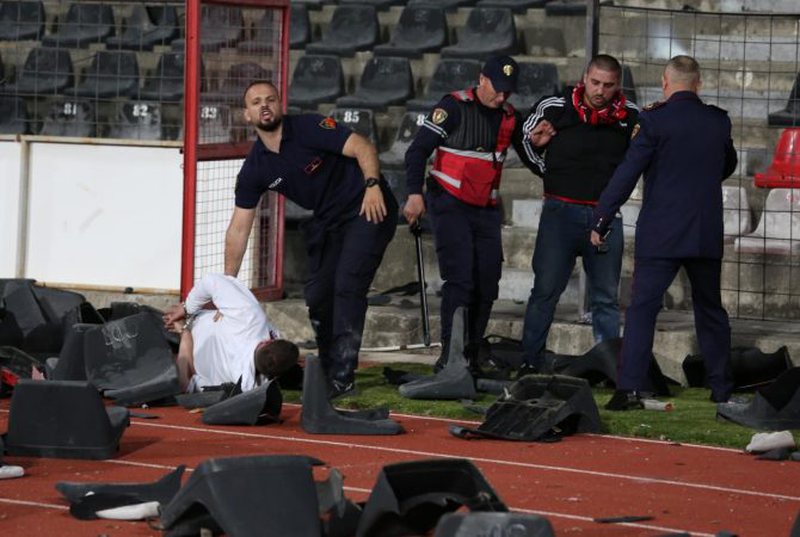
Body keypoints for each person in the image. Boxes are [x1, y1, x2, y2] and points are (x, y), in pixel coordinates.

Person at [225, 80, 397, 399]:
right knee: (318, 295)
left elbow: (363, 146)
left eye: (270, 99)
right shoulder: (255, 167)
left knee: (347, 285)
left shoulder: (308, 126)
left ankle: (342, 379)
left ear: (280, 104)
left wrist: (373, 184)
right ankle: (329, 368)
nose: (264, 105)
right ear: (246, 115)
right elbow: (238, 227)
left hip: (367, 206)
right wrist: (227, 286)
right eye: (255, 102)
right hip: (329, 219)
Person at [590, 55, 738, 409]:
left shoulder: (653, 121)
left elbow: (627, 173)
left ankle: (629, 389)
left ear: (665, 83)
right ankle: (722, 390)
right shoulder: (718, 122)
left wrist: (601, 218)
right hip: (704, 232)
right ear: (698, 84)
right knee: (711, 311)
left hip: (661, 233)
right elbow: (727, 164)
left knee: (642, 310)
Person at [404, 55, 535, 370]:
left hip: (486, 208)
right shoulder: (453, 106)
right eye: (498, 89)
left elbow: (530, 156)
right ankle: (451, 357)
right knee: (460, 280)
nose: (502, 96)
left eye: (508, 91)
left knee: (488, 281)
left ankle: (472, 355)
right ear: (482, 79)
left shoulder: (509, 116)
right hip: (449, 202)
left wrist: (542, 146)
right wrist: (413, 195)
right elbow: (417, 150)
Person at [518, 54, 639, 374]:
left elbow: (642, 156)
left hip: (606, 217)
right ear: (585, 77)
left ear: (618, 86)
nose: (600, 90)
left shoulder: (632, 116)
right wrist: (548, 168)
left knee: (605, 299)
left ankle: (610, 367)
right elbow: (525, 138)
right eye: (595, 82)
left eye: (608, 85)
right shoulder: (554, 106)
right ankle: (529, 361)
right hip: (560, 213)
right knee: (545, 291)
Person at [162, 273, 299, 393]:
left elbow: (211, 281)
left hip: (183, 330)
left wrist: (187, 312)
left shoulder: (251, 317)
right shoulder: (246, 389)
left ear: (267, 341)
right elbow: (186, 384)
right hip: (183, 337)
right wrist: (184, 332)